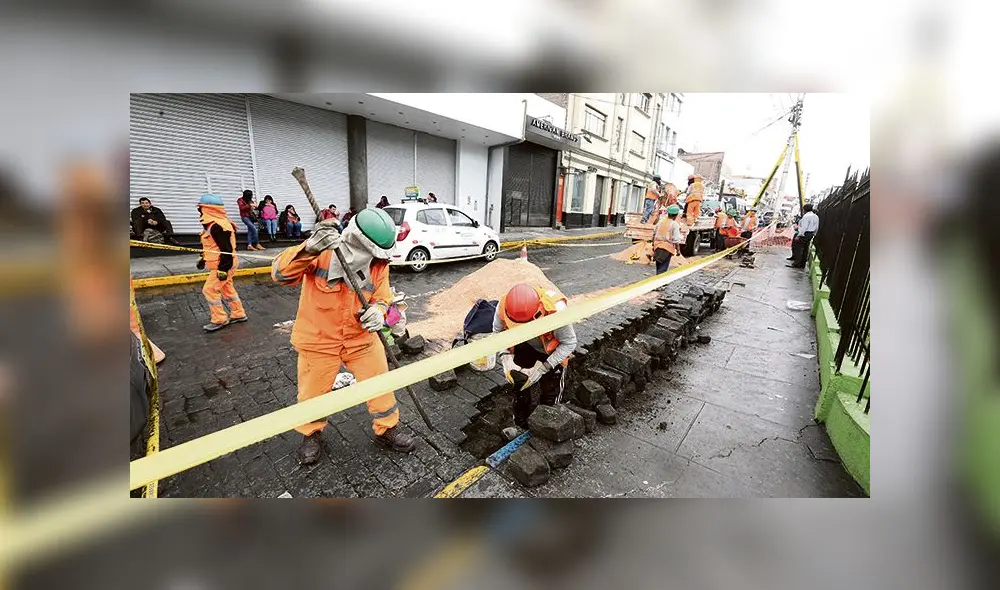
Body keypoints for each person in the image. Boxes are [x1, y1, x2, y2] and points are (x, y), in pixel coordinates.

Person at [271, 209, 415, 463]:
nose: (372, 259)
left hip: (360, 338)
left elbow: (382, 297)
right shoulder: (323, 252)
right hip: (319, 338)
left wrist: (378, 312)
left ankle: (387, 428)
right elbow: (280, 275)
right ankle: (311, 433)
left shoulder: (379, 265)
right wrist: (308, 249)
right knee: (312, 393)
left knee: (380, 382)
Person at [494, 283, 578, 428]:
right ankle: (521, 422)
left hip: (551, 352)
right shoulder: (503, 306)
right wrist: (505, 357)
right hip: (525, 346)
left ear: (538, 315)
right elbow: (497, 333)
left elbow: (569, 343)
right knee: (520, 384)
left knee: (550, 393)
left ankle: (547, 425)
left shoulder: (555, 312)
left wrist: (543, 368)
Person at [195, 194, 248, 331]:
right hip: (223, 263)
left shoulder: (217, 226)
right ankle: (238, 313)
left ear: (208, 209)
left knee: (210, 290)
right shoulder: (214, 224)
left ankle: (219, 319)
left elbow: (226, 250)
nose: (199, 211)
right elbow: (213, 247)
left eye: (201, 208)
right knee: (227, 288)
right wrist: (203, 259)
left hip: (225, 264)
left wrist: (223, 269)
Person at [652, 204, 684, 275]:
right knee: (663, 268)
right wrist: (678, 250)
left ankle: (657, 281)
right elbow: (676, 239)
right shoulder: (674, 224)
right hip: (666, 249)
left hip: (657, 247)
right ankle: (660, 283)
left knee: (659, 266)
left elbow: (654, 234)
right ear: (675, 215)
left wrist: (652, 245)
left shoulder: (661, 222)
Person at [788, 203, 819, 268]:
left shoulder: (806, 216)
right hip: (810, 234)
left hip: (804, 234)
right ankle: (802, 264)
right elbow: (816, 227)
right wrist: (814, 234)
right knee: (805, 249)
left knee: (798, 248)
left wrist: (799, 235)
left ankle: (796, 263)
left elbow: (804, 227)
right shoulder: (816, 217)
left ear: (804, 209)